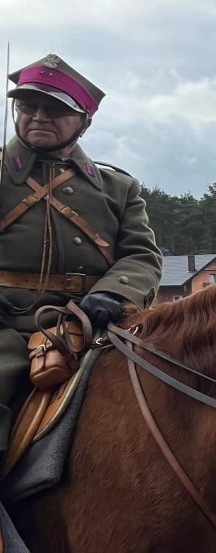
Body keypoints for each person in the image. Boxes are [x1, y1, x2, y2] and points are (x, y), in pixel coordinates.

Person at [0, 54, 162, 471]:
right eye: (27, 105)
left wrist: (113, 293)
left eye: (54, 109)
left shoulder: (118, 187)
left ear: (84, 122)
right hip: (7, 327)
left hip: (92, 325)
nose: (38, 116)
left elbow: (141, 255)